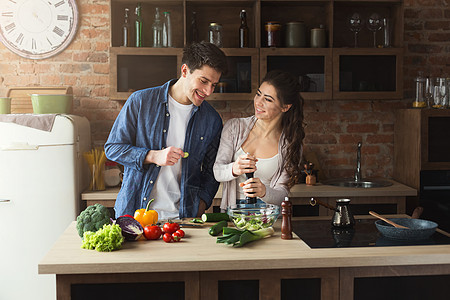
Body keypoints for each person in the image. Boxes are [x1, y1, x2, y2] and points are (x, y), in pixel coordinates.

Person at [105, 41, 228, 219]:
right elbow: (113, 148)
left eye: (214, 85)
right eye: (204, 81)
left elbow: (212, 171)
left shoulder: (211, 119)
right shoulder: (140, 102)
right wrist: (153, 156)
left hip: (184, 219)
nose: (208, 91)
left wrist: (201, 205)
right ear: (185, 71)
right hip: (136, 216)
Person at [213, 70, 305, 210]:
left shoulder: (291, 144)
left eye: (267, 99)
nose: (258, 102)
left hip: (268, 216)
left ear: (285, 107)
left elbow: (283, 194)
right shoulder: (234, 127)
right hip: (233, 213)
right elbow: (217, 171)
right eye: (258, 94)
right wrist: (234, 168)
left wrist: (264, 191)